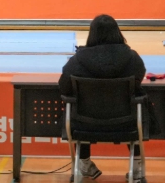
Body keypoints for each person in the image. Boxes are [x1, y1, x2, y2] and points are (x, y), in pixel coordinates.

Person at [59, 14, 147, 182]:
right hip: (126, 124)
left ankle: (84, 163)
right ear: (117, 33)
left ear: (92, 34)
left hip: (84, 126)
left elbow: (64, 87)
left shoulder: (77, 60)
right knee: (137, 107)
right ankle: (137, 168)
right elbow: (138, 83)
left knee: (78, 107)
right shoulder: (132, 58)